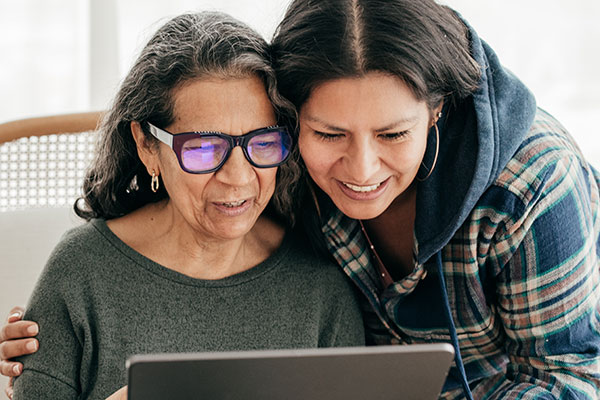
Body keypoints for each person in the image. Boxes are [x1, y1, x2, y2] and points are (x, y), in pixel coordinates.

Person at [3, 0, 600, 398]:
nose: (361, 170)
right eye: (328, 134)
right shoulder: (282, 181)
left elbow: (574, 373)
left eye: (392, 133)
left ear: (436, 111)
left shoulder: (532, 185)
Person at [0, 10, 364, 400]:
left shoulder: (319, 285)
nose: (239, 177)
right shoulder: (80, 273)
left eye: (262, 142)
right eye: (205, 148)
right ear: (146, 146)